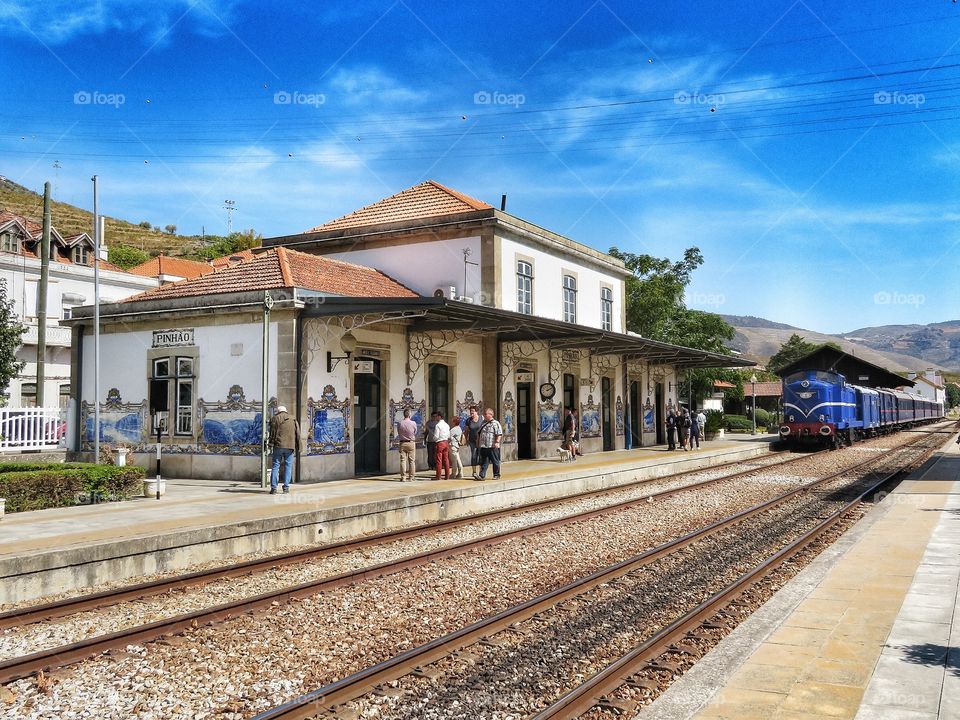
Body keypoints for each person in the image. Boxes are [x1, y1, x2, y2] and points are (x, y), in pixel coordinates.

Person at [268, 404, 301, 494]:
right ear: (286, 411)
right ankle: (286, 487)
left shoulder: (275, 418)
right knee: (288, 466)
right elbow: (297, 433)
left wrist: (270, 443)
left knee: (275, 466)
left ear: (278, 411)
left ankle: (274, 488)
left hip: (278, 446)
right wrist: (299, 446)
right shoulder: (293, 419)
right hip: (290, 446)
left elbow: (272, 433)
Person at [476, 407, 503, 481]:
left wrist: (497, 442)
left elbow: (499, 434)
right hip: (484, 446)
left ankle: (496, 475)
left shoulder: (496, 423)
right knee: (483, 461)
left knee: (495, 461)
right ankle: (482, 475)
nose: (484, 415)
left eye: (485, 414)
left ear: (491, 414)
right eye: (484, 414)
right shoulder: (483, 423)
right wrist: (478, 442)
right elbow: (479, 433)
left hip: (492, 446)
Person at [396, 408, 418, 481]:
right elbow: (415, 432)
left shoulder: (400, 423)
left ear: (404, 415)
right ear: (410, 415)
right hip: (411, 442)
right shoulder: (413, 423)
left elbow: (399, 432)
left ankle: (403, 477)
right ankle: (411, 477)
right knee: (412, 461)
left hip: (402, 442)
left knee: (403, 460)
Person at [430, 411, 451, 480]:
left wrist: (434, 439)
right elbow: (448, 434)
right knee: (446, 459)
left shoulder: (438, 425)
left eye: (437, 416)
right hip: (446, 442)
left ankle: (438, 476)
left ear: (439, 417)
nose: (436, 418)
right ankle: (447, 475)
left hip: (440, 443)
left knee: (439, 460)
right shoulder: (447, 425)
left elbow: (436, 436)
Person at [467, 406, 483, 479]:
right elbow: (467, 430)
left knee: (481, 456)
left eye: (473, 411)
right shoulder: (469, 420)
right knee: (474, 455)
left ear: (477, 411)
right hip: (472, 441)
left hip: (481, 441)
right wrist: (466, 439)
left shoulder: (482, 418)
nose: (471, 412)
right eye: (470, 411)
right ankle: (474, 472)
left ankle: (481, 472)